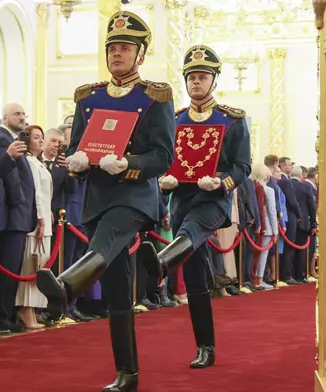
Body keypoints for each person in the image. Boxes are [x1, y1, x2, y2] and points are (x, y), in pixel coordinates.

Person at [35, 11, 175, 392]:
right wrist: (77, 161)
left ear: (140, 55)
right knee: (116, 286)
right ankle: (127, 374)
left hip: (133, 197)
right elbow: (80, 146)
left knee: (107, 240)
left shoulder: (155, 96)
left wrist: (129, 162)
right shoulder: (88, 96)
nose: (117, 53)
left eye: (125, 47)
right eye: (112, 47)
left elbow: (163, 156)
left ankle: (65, 287)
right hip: (98, 198)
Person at [138, 44, 252, 369]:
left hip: (212, 200)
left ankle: (160, 264)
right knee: (196, 274)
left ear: (214, 80)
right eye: (192, 77)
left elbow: (242, 167)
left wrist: (220, 182)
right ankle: (206, 347)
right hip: (182, 200)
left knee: (191, 231)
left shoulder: (232, 120)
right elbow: (164, 159)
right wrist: (164, 179)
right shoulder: (173, 120)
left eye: (203, 77)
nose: (196, 83)